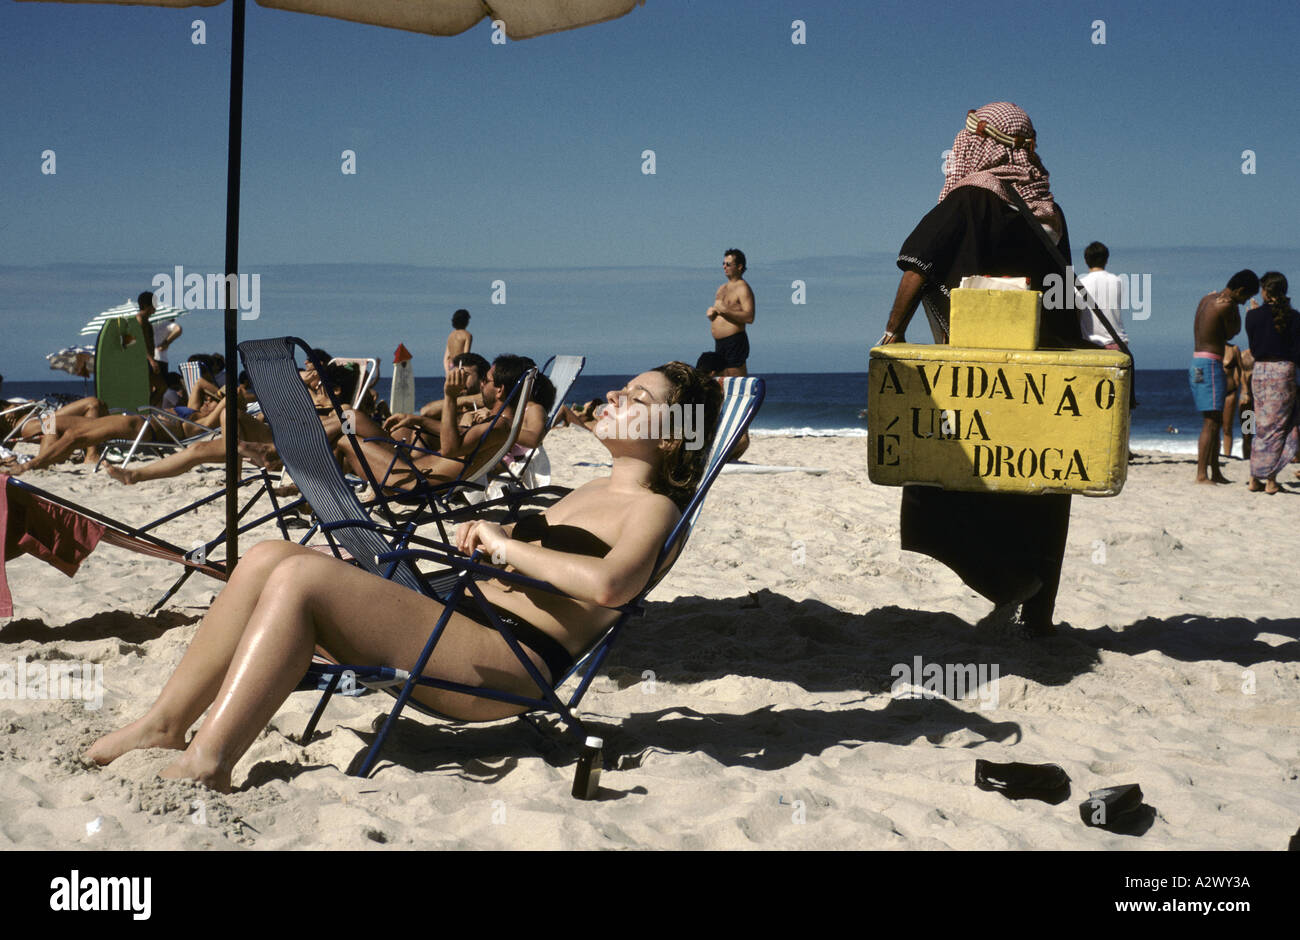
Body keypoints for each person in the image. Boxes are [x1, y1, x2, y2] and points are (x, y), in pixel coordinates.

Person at [85, 362, 723, 792]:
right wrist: (491, 534)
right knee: (266, 557)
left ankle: (209, 761)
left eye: (639, 399)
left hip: (504, 660)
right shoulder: (587, 488)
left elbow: (612, 586)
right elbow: (521, 554)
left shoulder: (655, 509)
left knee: (303, 581)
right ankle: (166, 723)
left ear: (673, 437)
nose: (615, 396)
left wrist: (508, 546)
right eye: (623, 389)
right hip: (461, 618)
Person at [878, 102, 1087, 637]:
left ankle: (1007, 584)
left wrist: (894, 330)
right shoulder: (1049, 211)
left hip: (984, 375)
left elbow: (917, 263)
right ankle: (1039, 615)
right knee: (1044, 489)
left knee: (952, 480)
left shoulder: (973, 196)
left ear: (979, 142)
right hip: (1048, 373)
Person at [1189, 270, 1258, 484]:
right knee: (1211, 422)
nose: (1244, 301)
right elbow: (1232, 332)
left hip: (1198, 361)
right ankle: (1202, 474)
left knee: (1216, 421)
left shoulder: (1206, 298)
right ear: (1239, 291)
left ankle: (1215, 471)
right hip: (1210, 363)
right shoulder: (1227, 304)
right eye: (1245, 297)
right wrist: (1241, 313)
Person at [1244, 271, 1300, 494]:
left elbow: (1255, 347)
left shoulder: (1252, 316)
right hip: (1283, 372)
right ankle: (1270, 479)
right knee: (1279, 428)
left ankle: (1253, 477)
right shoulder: (1295, 317)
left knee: (1261, 426)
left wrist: (1253, 313)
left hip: (1260, 372)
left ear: (1265, 291)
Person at [707, 249, 755, 376]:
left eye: (728, 264)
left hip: (734, 341)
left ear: (739, 267)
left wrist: (725, 310)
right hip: (719, 343)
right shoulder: (721, 288)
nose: (724, 267)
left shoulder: (743, 288)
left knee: (736, 379)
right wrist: (712, 315)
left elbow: (749, 317)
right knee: (722, 381)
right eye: (723, 264)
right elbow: (720, 313)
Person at [1076, 242, 1128, 349]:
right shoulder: (1118, 281)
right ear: (1106, 259)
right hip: (1120, 344)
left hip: (1094, 345)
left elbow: (1077, 317)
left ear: (1086, 261)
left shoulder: (1079, 285)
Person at [1222, 343, 1242, 457]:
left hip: (1247, 396)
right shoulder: (1244, 354)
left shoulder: (1259, 357)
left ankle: (1248, 455)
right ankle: (1247, 455)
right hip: (1242, 395)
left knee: (1248, 431)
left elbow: (1241, 373)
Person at [443, 309, 473, 376]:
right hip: (460, 367)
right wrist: (461, 371)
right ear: (466, 321)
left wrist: (447, 372)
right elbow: (465, 356)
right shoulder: (467, 335)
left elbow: (446, 358)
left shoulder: (450, 335)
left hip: (451, 366)